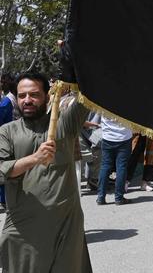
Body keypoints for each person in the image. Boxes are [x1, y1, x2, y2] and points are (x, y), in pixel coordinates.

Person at [0, 71, 92, 272]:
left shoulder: (64, 124)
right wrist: (34, 159)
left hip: (65, 226)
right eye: (22, 95)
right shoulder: (7, 131)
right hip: (24, 229)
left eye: (34, 94)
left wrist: (71, 58)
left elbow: (89, 95)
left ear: (47, 96)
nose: (27, 100)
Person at [94, 114, 132, 205]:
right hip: (124, 137)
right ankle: (119, 198)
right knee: (121, 167)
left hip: (108, 137)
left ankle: (100, 197)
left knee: (105, 166)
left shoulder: (104, 100)